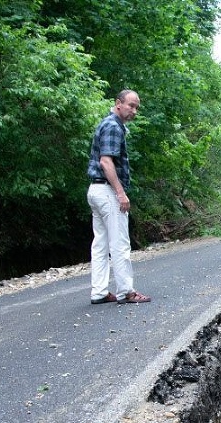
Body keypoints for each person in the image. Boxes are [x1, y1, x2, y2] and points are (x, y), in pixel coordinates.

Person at [86, 89, 151, 304]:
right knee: (120, 243)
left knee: (101, 244)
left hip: (95, 190)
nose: (134, 110)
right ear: (118, 103)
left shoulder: (108, 124)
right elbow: (106, 162)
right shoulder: (113, 126)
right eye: (131, 105)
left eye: (136, 107)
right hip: (107, 191)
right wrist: (120, 193)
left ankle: (99, 292)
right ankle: (126, 291)